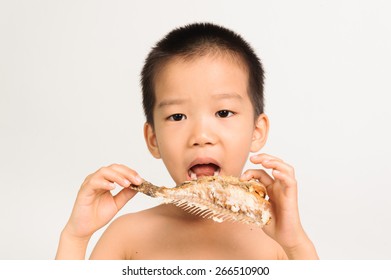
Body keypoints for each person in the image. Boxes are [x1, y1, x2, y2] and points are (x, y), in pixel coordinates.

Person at [55, 22, 318, 260]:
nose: (201, 136)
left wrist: (296, 244)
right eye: (177, 116)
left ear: (256, 131)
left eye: (223, 113)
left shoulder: (277, 242)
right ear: (153, 139)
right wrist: (75, 237)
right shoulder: (127, 236)